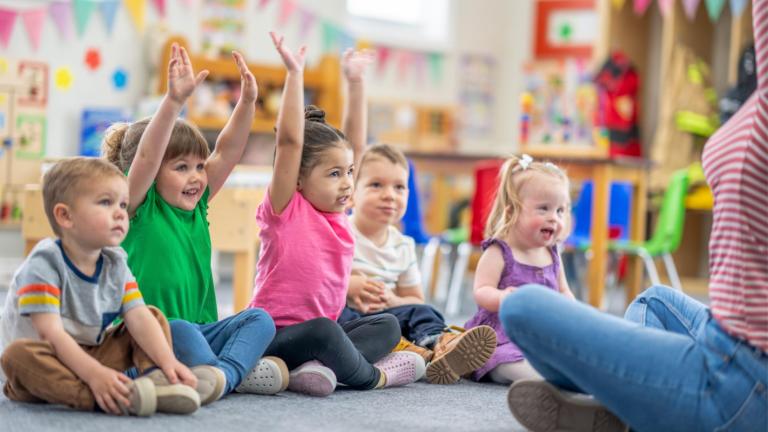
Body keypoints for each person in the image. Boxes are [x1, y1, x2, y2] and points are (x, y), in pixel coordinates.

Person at [502, 3, 768, 430]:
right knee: (655, 300)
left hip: (738, 379)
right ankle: (629, 407)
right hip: (730, 337)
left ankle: (631, 410)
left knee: (523, 307)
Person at [103, 43, 283, 401]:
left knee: (260, 319)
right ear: (151, 175)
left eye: (199, 166)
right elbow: (147, 156)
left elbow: (227, 151)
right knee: (181, 331)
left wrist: (247, 104)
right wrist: (173, 101)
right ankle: (228, 371)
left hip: (201, 330)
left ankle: (220, 375)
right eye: (181, 167)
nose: (197, 177)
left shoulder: (198, 205)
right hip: (147, 336)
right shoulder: (137, 206)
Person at [248, 33, 425, 397]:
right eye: (333, 174)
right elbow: (289, 143)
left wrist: (356, 83)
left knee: (387, 325)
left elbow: (356, 145)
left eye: (349, 173)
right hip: (275, 336)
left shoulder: (340, 211)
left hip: (324, 332)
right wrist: (294, 75)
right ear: (298, 179)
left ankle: (319, 370)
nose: (347, 183)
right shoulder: (286, 209)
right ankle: (372, 376)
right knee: (325, 332)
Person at [0, 158, 202, 416]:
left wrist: (169, 363)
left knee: (151, 315)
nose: (120, 213)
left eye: (123, 204)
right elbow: (51, 335)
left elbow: (138, 317)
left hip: (91, 353)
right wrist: (95, 375)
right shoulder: (44, 263)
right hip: (45, 363)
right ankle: (103, 397)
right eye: (106, 202)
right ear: (65, 216)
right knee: (16, 356)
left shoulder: (115, 262)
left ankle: (159, 382)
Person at [341, 143, 496, 384]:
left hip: (386, 316)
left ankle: (441, 344)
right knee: (337, 313)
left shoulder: (403, 245)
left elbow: (414, 299)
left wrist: (393, 300)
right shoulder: (340, 233)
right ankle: (401, 349)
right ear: (352, 194)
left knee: (423, 311)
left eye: (399, 187)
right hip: (352, 319)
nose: (390, 195)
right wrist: (350, 285)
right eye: (376, 185)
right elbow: (319, 282)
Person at [464, 154, 575, 385]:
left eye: (560, 211)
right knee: (506, 360)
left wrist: (571, 310)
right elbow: (481, 290)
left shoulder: (552, 253)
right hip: (503, 336)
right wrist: (502, 297)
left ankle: (562, 378)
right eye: (543, 209)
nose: (553, 218)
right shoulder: (499, 252)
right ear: (512, 212)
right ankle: (543, 382)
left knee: (576, 354)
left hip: (542, 334)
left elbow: (564, 290)